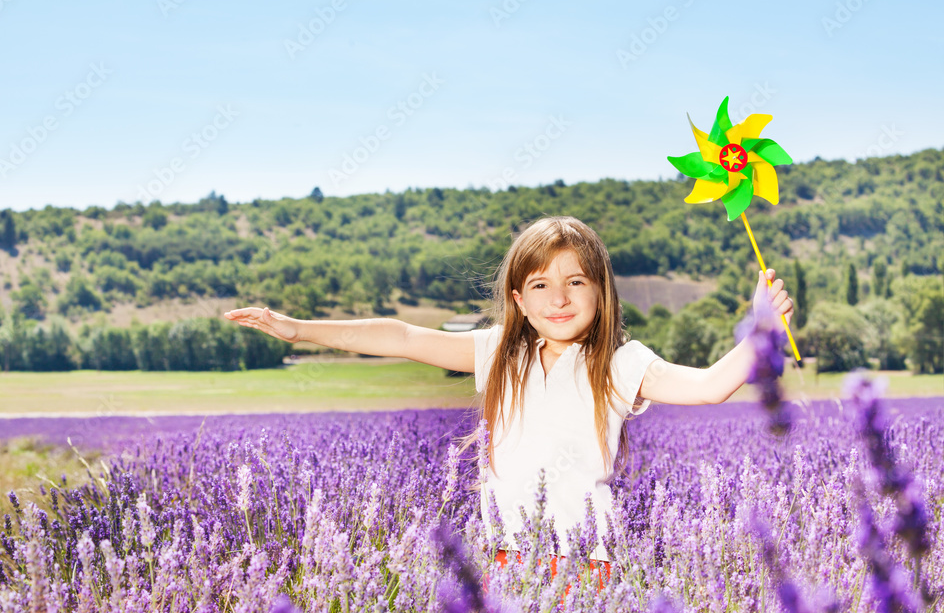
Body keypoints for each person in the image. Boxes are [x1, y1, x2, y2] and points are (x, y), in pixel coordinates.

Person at [223, 215, 793, 573]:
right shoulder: (499, 353)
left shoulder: (620, 363)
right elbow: (401, 336)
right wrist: (300, 330)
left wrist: (761, 329)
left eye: (576, 282)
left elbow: (709, 387)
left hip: (585, 566)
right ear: (519, 299)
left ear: (601, 292)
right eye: (541, 285)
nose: (559, 298)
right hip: (505, 561)